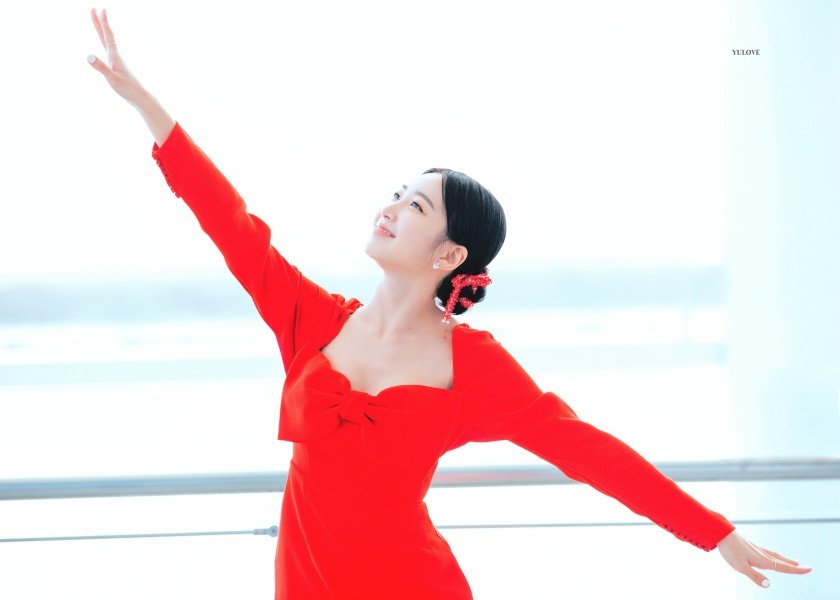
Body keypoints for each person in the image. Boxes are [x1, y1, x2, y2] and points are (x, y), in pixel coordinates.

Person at [86, 8, 813, 598]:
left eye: (415, 205)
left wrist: (714, 532)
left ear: (449, 256)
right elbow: (228, 220)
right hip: (304, 586)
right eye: (396, 194)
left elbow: (588, 451)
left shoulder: (472, 365)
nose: (390, 207)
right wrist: (146, 104)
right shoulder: (311, 318)